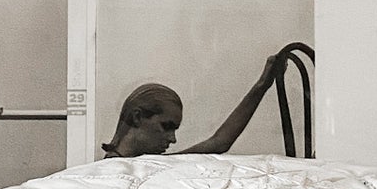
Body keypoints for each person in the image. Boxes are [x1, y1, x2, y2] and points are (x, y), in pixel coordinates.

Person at [102, 54, 285, 159]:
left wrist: (262, 85)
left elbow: (219, 143)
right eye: (166, 127)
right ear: (137, 117)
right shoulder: (108, 174)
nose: (173, 140)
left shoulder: (146, 166)